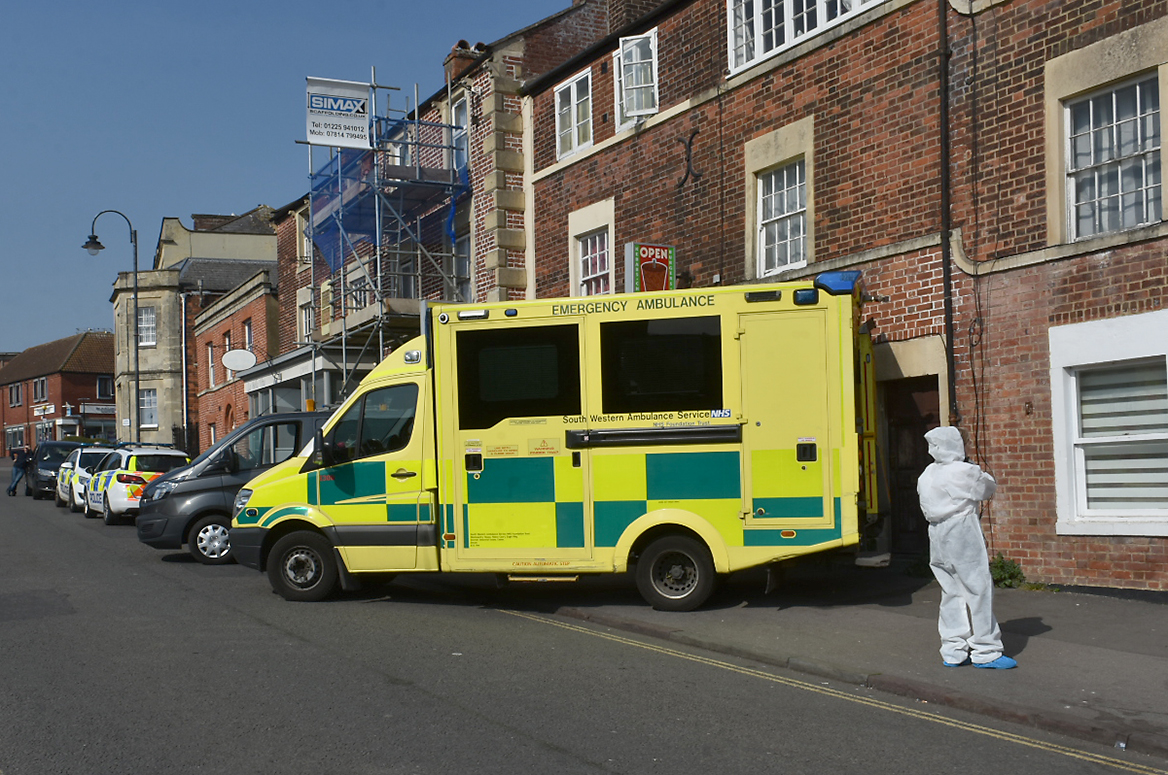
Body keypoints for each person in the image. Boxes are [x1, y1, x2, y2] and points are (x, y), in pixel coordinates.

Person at [917, 426, 1016, 669]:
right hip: (960, 529)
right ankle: (986, 651)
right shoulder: (963, 471)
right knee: (978, 589)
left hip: (935, 532)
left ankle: (953, 650)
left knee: (950, 590)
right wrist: (975, 469)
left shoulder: (927, 473)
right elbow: (988, 488)